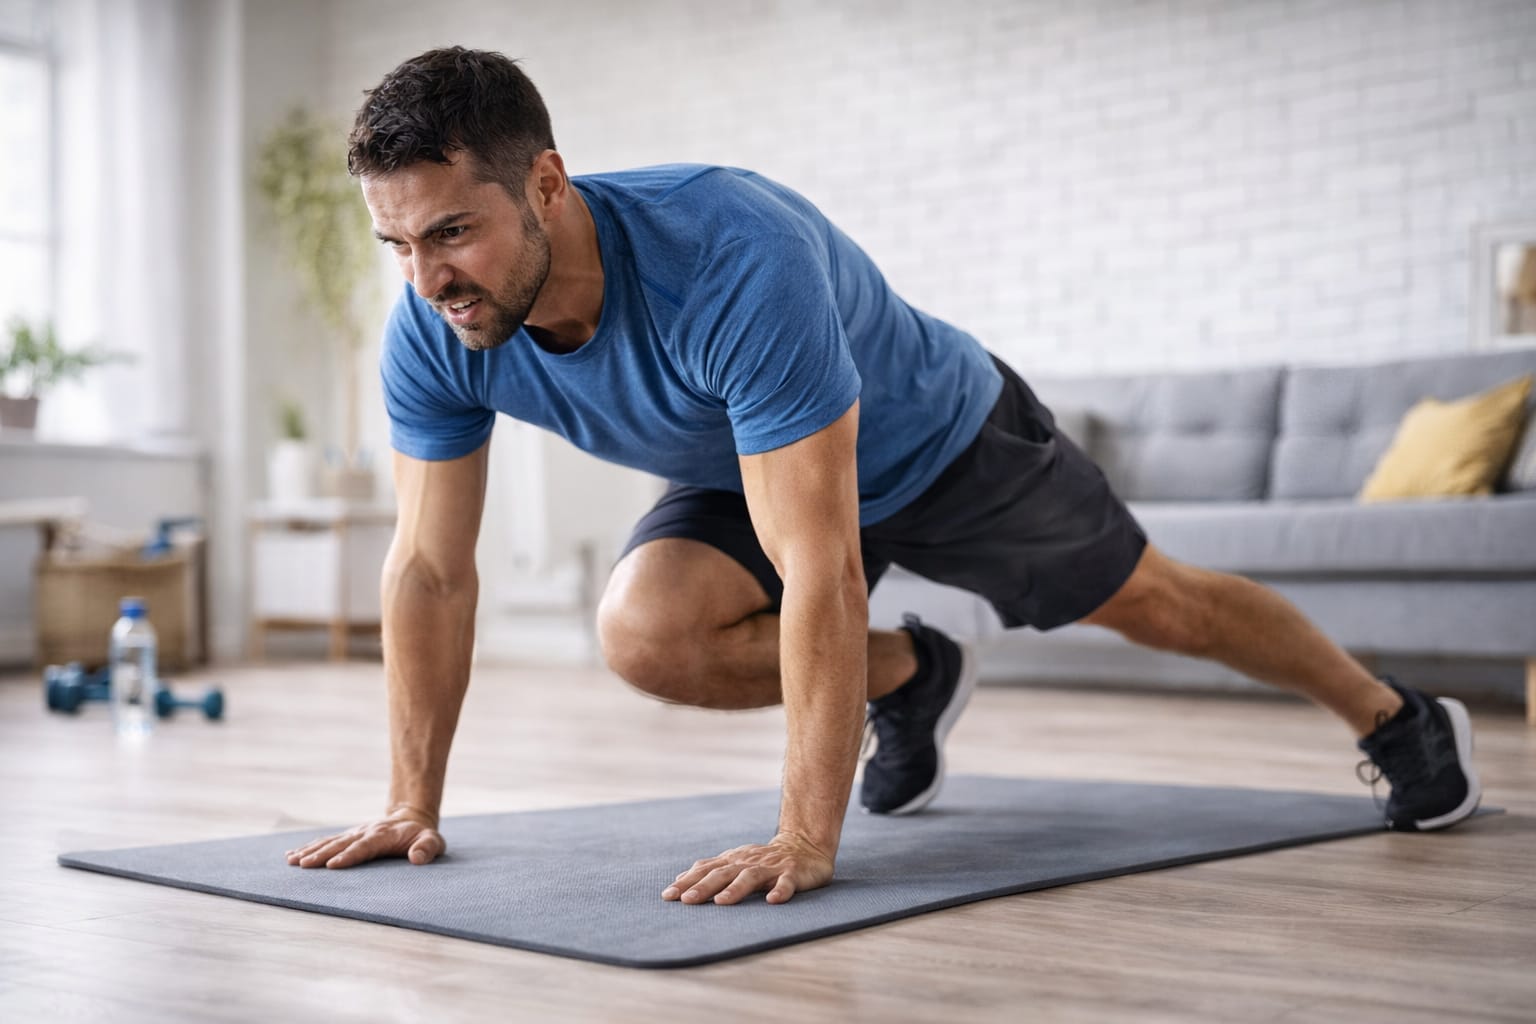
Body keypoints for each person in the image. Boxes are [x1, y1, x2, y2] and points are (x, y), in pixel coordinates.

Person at [285, 47, 1481, 904]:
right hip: (735, 461)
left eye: (452, 231)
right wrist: (411, 803)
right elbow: (432, 570)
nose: (428, 276)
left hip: (942, 439)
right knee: (647, 631)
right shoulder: (436, 332)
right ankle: (913, 676)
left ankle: (1398, 716)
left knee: (1158, 603)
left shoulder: (730, 252)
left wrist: (807, 836)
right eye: (399, 243)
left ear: (547, 183)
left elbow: (823, 562)